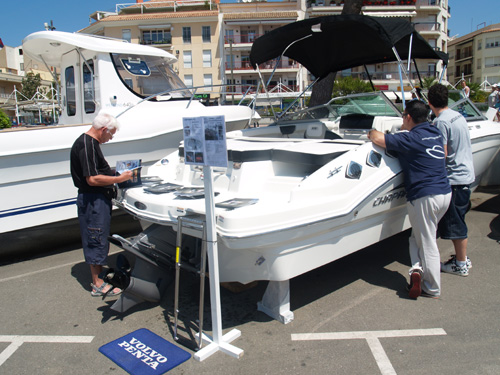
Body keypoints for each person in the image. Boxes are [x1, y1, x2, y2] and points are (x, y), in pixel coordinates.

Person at [368, 100, 451, 299]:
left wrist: (372, 131)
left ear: (408, 117)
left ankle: (431, 288)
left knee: (427, 242)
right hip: (444, 193)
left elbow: (377, 138)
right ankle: (417, 271)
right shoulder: (435, 133)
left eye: (403, 116)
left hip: (425, 196)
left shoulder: (410, 139)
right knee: (417, 237)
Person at [70, 112, 133, 297]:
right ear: (103, 129)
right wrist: (119, 178)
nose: (110, 138)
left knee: (97, 237)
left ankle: (99, 276)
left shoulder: (89, 143)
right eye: (111, 134)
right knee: (95, 238)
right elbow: (92, 178)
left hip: (95, 200)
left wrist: (117, 172)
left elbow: (97, 170)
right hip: (93, 201)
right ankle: (98, 284)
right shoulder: (88, 145)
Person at [428, 83, 475, 277]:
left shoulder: (441, 122)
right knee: (460, 219)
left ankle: (461, 263)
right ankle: (461, 258)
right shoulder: (458, 116)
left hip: (454, 179)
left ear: (429, 102)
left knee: (456, 224)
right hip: (466, 175)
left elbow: (442, 153)